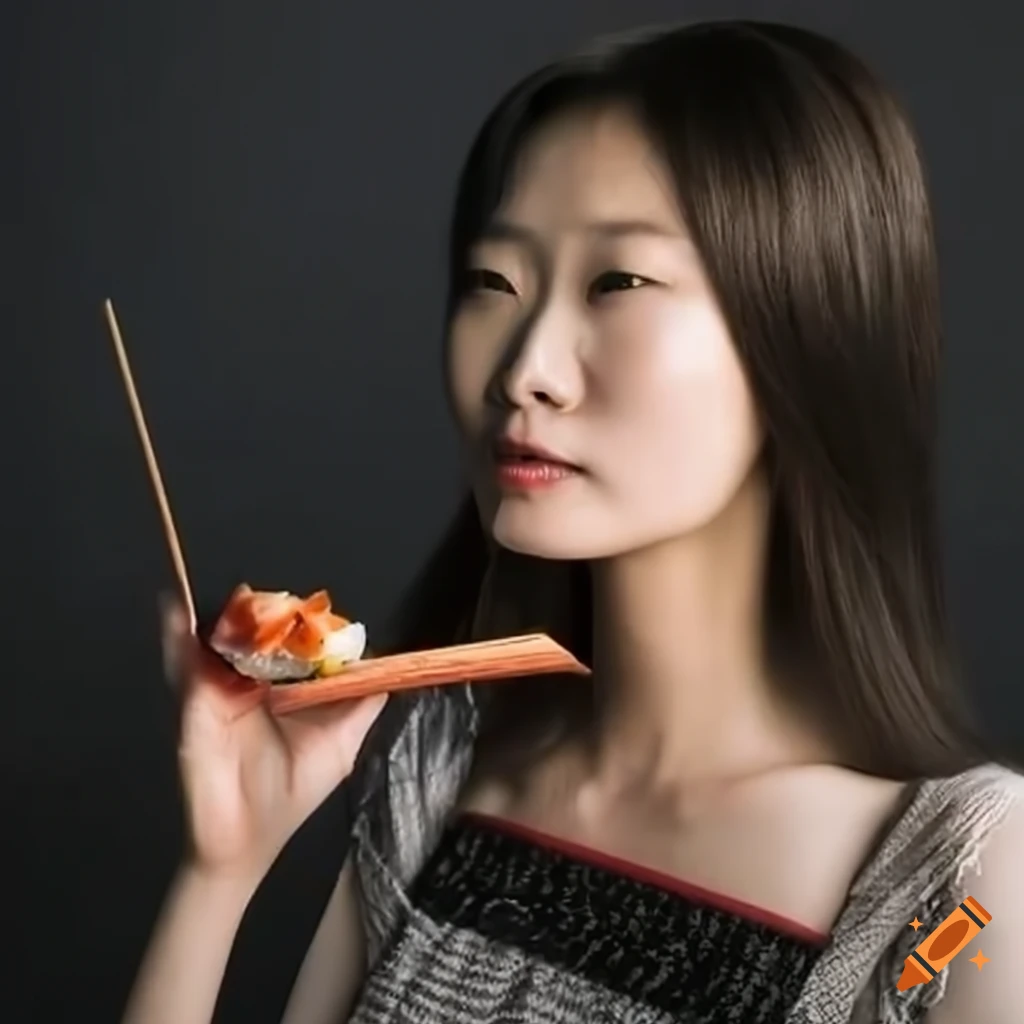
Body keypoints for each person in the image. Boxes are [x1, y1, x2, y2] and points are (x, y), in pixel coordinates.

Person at [121, 19, 1024, 1024]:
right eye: (492, 285)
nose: (523, 370)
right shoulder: (438, 777)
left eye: (618, 282)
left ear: (809, 327)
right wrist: (219, 874)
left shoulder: (963, 884)